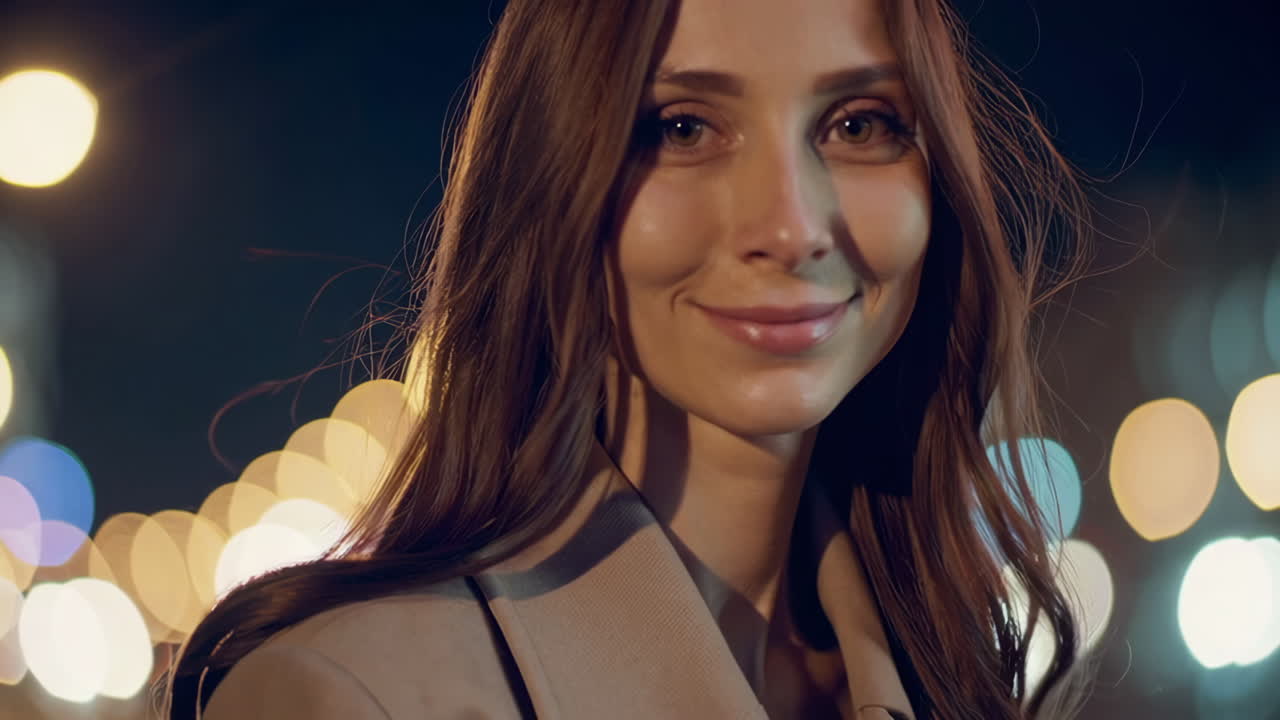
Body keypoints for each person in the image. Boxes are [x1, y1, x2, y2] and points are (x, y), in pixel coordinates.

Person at [165, 0, 1095, 717]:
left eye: (858, 124)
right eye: (683, 127)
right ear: (547, 173)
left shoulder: (947, 668)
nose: (791, 227)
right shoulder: (355, 693)